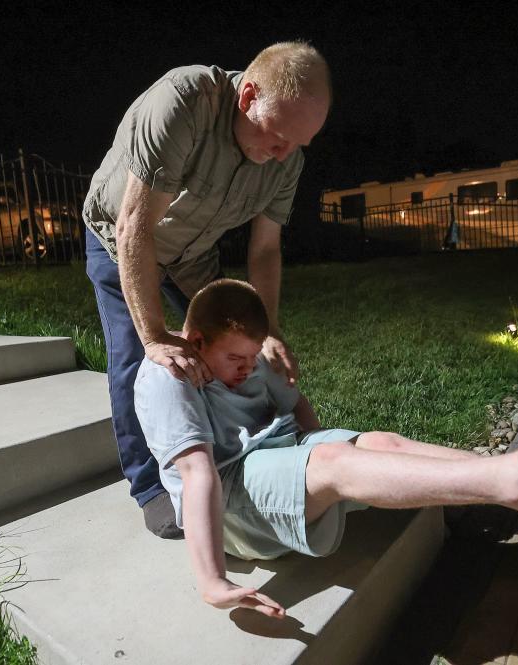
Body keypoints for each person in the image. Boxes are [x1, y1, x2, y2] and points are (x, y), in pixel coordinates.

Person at [134, 279, 518, 617]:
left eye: (252, 356)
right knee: (336, 463)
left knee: (380, 442)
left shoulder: (252, 359)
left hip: (272, 460)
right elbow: (198, 476)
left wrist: (322, 444)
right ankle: (516, 481)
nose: (247, 369)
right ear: (195, 341)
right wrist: (211, 580)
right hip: (229, 501)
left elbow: (299, 410)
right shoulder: (170, 378)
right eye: (234, 359)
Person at [84, 42, 331, 538]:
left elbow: (263, 252)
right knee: (141, 358)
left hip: (193, 257)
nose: (283, 155)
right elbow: (135, 227)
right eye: (277, 137)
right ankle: (151, 487)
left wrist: (270, 332)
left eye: (298, 144)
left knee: (226, 345)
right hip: (121, 240)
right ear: (247, 97)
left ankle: (225, 449)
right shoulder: (183, 103)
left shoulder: (287, 158)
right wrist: (156, 335)